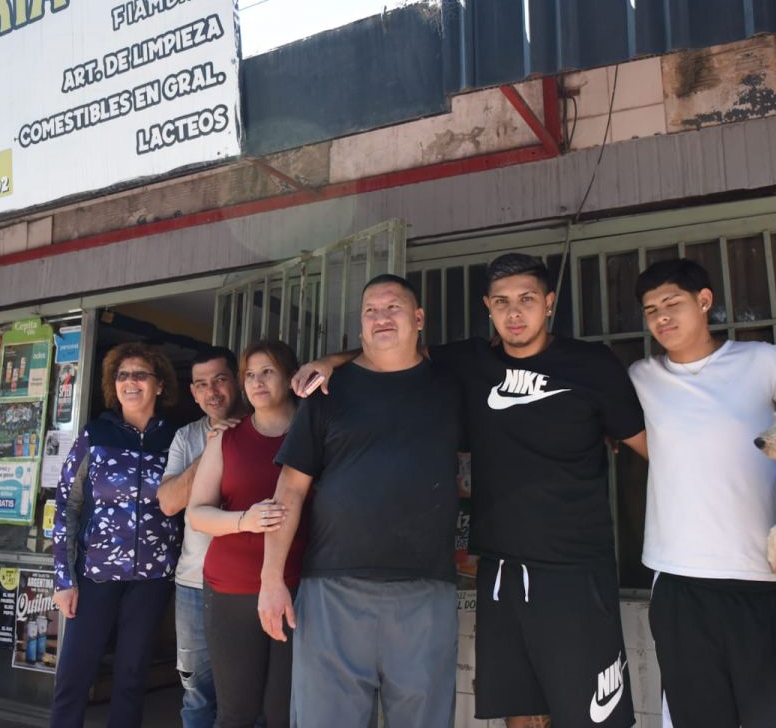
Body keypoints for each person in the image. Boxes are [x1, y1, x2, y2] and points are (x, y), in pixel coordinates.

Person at [288, 257, 645, 728]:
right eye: (502, 302)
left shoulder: (592, 365)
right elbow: (390, 351)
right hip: (499, 569)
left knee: (593, 716)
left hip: (575, 566)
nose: (515, 313)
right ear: (488, 309)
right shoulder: (469, 363)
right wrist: (328, 362)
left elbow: (650, 449)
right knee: (521, 714)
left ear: (549, 304)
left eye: (527, 300)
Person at [261, 274, 463, 727]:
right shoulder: (327, 392)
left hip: (425, 588)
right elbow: (289, 489)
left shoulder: (452, 386)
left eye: (392, 307)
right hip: (332, 587)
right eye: (370, 310)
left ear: (419, 318)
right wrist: (271, 580)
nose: (381, 317)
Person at [629, 259, 776, 728]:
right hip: (677, 575)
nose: (662, 318)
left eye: (672, 304)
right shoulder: (640, 377)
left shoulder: (764, 362)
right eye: (651, 310)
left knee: (774, 716)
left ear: (705, 301)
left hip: (762, 572)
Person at [50, 342, 180, 728]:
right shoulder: (96, 434)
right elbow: (66, 505)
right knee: (74, 675)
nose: (130, 382)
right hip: (95, 576)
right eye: (122, 375)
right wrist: (63, 578)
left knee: (131, 678)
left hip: (152, 579)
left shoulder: (176, 438)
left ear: (159, 385)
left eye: (140, 374)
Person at [187, 339, 305, 728]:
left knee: (283, 712)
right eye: (250, 374)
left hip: (299, 585)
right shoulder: (227, 437)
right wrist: (245, 520)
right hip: (230, 588)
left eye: (267, 371)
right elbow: (197, 513)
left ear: (290, 377)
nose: (257, 381)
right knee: (236, 712)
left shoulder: (315, 430)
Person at [157, 346, 246, 728]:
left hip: (250, 582)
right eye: (202, 385)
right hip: (195, 583)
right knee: (197, 695)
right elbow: (168, 503)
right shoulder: (187, 436)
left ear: (238, 381)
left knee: (248, 694)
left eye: (220, 380)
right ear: (193, 393)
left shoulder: (266, 425)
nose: (212, 392)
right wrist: (210, 450)